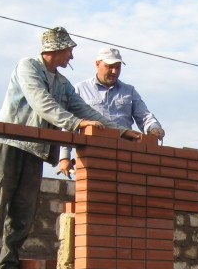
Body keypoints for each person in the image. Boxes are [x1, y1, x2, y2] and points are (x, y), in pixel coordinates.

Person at [0, 27, 137, 269]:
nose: (71, 57)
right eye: (69, 51)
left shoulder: (62, 83)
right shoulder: (28, 67)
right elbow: (41, 102)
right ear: (55, 50)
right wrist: (74, 124)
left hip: (35, 149)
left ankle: (8, 265)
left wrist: (120, 131)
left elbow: (84, 110)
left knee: (23, 210)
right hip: (9, 144)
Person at [57, 47, 165, 177]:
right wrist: (64, 157)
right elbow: (69, 125)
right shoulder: (80, 89)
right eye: (110, 67)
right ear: (97, 64)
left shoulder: (129, 91)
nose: (114, 71)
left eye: (118, 67)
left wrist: (154, 128)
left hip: (125, 157)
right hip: (92, 156)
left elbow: (144, 116)